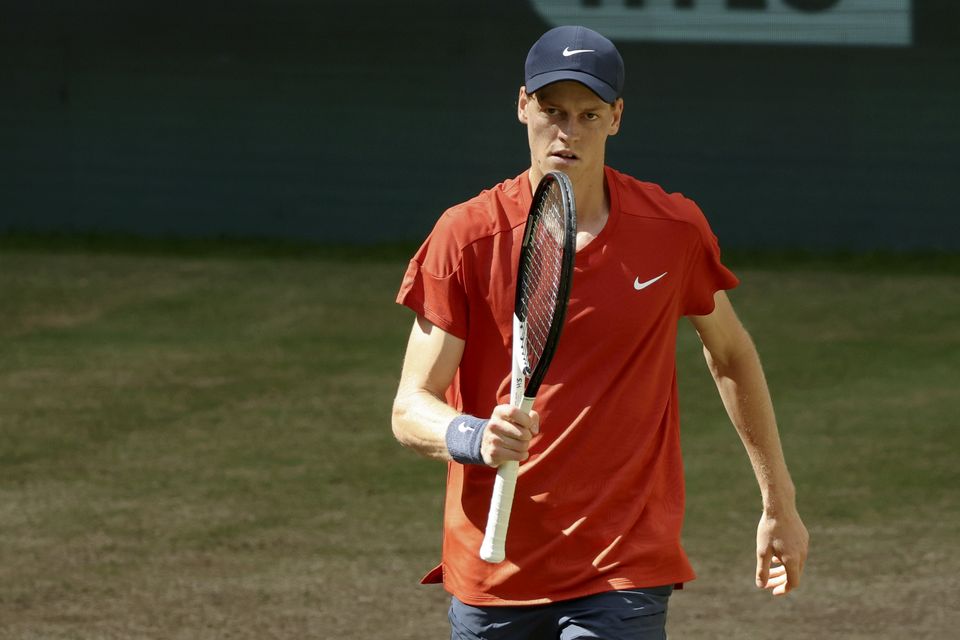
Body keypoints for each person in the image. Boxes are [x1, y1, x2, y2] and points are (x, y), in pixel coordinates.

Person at [391, 25, 809, 640]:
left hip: (624, 565)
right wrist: (475, 436)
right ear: (522, 106)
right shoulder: (466, 236)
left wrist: (779, 503)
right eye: (552, 110)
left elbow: (730, 353)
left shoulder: (673, 229)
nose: (568, 131)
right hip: (494, 569)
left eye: (588, 114)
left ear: (616, 117)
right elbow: (409, 408)